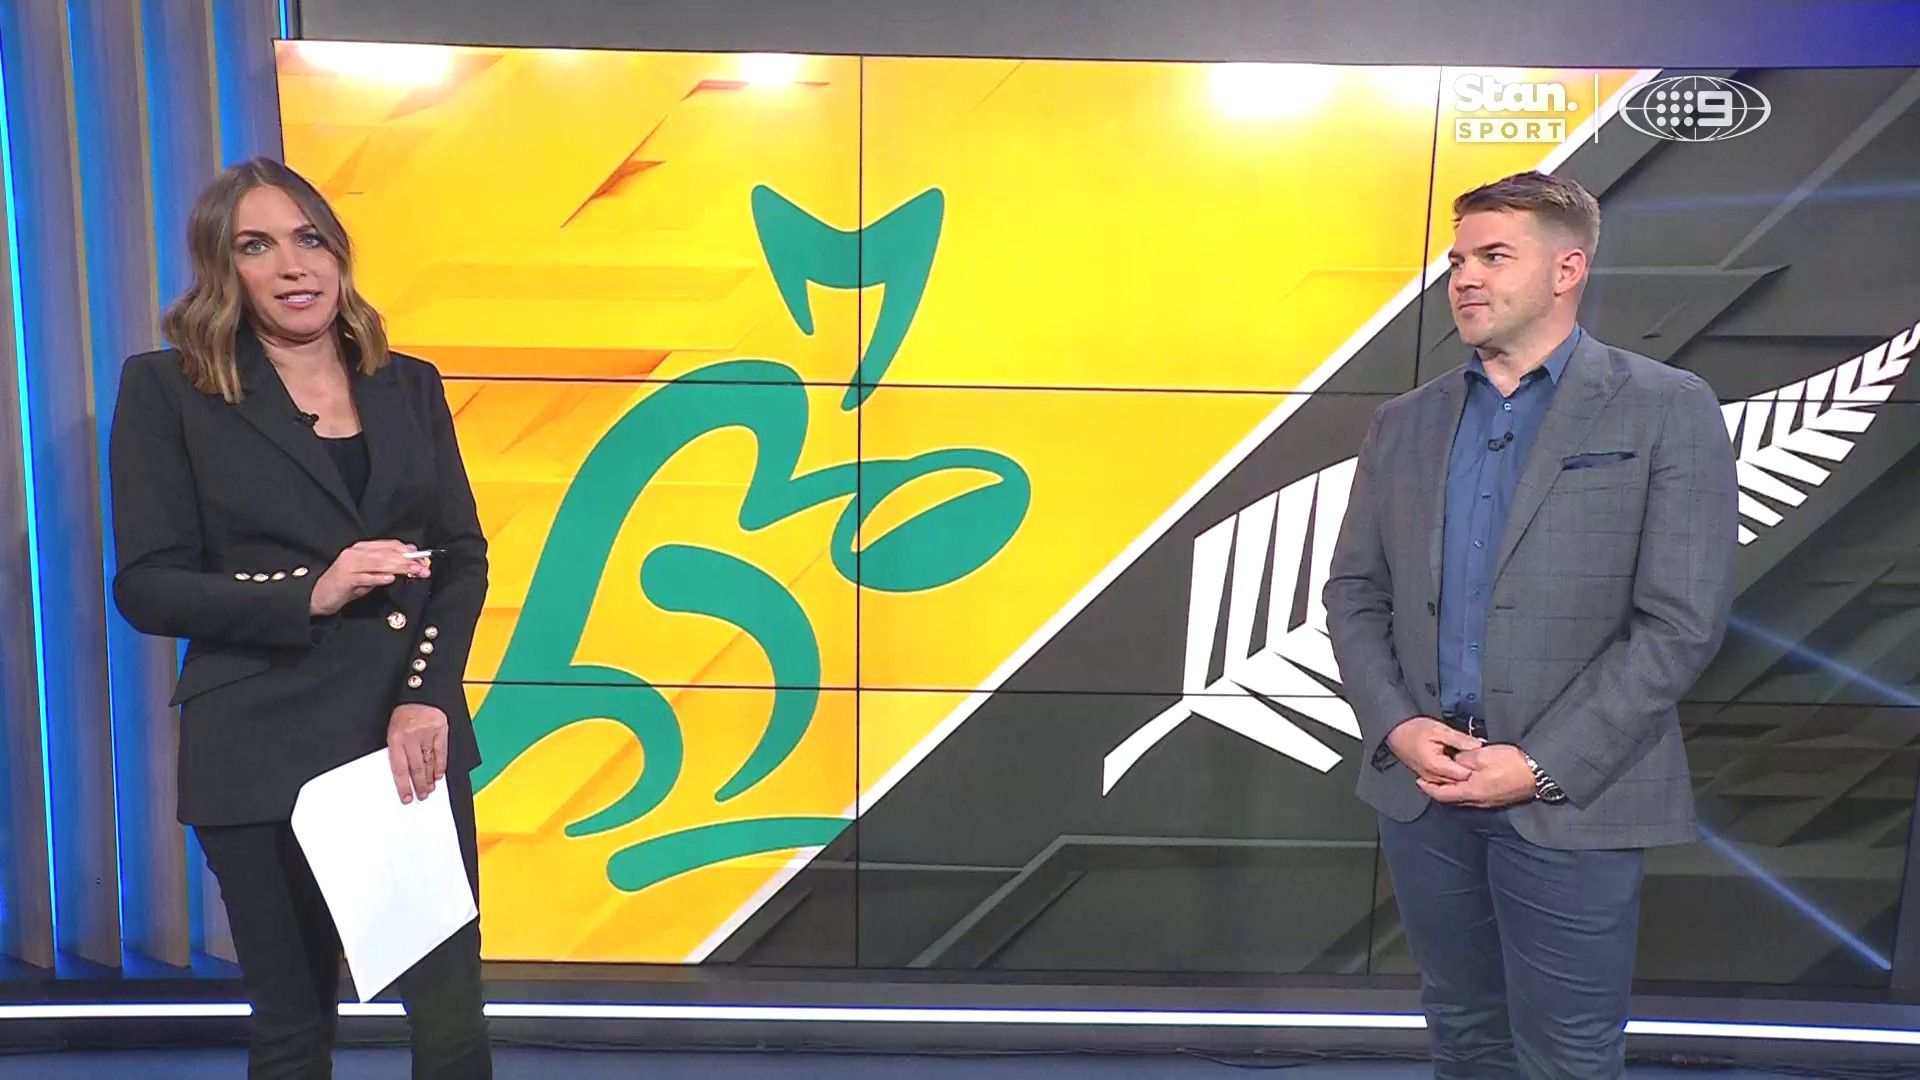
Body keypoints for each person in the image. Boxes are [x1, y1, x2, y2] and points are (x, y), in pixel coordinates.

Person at [1324, 171, 1737, 1078]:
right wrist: (1397, 726)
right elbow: (1354, 592)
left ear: (1567, 269)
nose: (1465, 277)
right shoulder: (1403, 422)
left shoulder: (1666, 406)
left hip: (1574, 798)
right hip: (1425, 793)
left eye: (1493, 256)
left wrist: (1541, 764)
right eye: (1457, 261)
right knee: (1465, 1036)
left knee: (1567, 1056)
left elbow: (1681, 620)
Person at [109, 157, 493, 1079]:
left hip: (403, 738)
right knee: (292, 1029)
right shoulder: (168, 390)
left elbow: (461, 555)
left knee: (450, 1022)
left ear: (338, 252)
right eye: (257, 246)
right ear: (222, 268)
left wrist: (427, 696)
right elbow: (148, 587)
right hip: (257, 742)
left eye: (308, 238)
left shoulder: (408, 384)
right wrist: (309, 593)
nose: (292, 265)